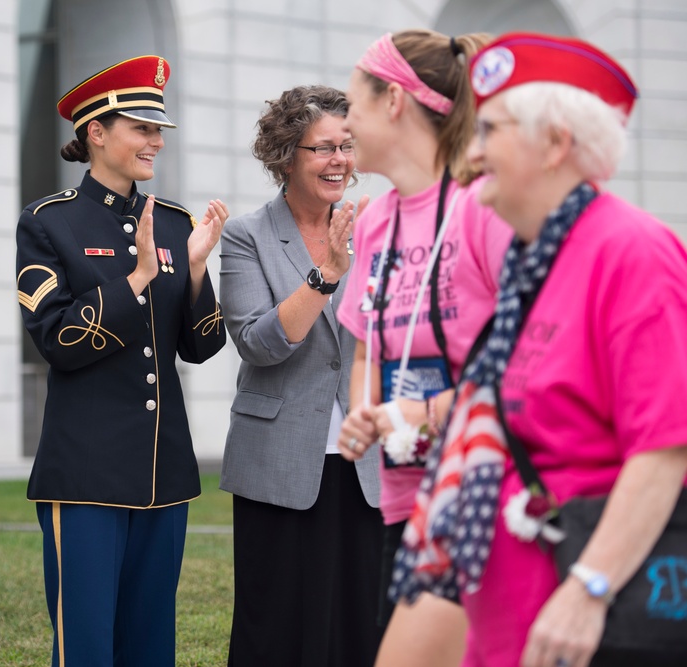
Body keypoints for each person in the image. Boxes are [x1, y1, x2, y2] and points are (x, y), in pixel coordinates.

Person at [390, 32, 687, 667]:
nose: (470, 153)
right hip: (513, 618)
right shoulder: (533, 259)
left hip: (583, 625)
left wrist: (589, 588)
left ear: (554, 144)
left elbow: (663, 449)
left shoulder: (631, 253)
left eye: (489, 131)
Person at [15, 55, 228, 667]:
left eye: (158, 129)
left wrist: (192, 271)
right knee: (84, 646)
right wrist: (136, 277)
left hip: (163, 471)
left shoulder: (175, 223)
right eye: (141, 127)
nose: (155, 140)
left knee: (151, 645)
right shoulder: (48, 222)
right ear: (96, 132)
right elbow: (55, 339)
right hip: (85, 475)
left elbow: (202, 346)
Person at [335, 29, 514, 666]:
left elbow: (526, 365)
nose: (345, 117)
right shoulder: (378, 219)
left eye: (354, 99)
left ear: (394, 102)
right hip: (404, 494)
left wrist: (429, 414)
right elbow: (365, 351)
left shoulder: (483, 209)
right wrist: (365, 413)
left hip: (485, 495)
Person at [219, 85, 383, 667]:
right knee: (280, 627)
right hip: (279, 459)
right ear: (287, 154)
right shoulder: (247, 235)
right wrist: (323, 278)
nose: (340, 160)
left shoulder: (377, 232)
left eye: (347, 145)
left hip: (368, 461)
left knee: (363, 622)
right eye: (323, 148)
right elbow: (258, 344)